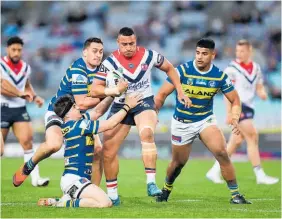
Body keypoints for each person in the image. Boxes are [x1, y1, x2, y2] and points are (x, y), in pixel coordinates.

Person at [89, 27, 191, 205]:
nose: (128, 47)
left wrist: (180, 91)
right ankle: (113, 195)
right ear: (118, 43)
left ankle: (151, 183)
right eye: (124, 44)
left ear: (136, 42)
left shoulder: (149, 56)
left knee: (146, 133)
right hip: (121, 104)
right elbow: (94, 88)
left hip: (143, 101)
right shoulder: (110, 62)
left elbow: (170, 69)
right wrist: (113, 90)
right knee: (108, 152)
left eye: (132, 43)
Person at [13, 37, 128, 187]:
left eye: (100, 52)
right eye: (94, 51)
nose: (98, 55)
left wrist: (114, 92)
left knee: (98, 150)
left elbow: (95, 106)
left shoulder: (102, 72)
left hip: (77, 115)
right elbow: (81, 102)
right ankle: (29, 165)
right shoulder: (78, 69)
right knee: (54, 144)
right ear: (84, 53)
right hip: (59, 112)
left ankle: (92, 190)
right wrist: (111, 92)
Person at [154, 38, 251, 204]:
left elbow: (235, 100)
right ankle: (166, 188)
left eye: (204, 54)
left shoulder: (219, 76)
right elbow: (161, 95)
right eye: (197, 53)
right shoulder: (182, 71)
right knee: (178, 163)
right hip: (182, 123)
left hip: (205, 120)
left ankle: (236, 195)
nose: (199, 57)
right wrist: (154, 112)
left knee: (222, 153)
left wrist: (234, 117)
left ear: (213, 55)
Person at [37, 92, 142, 208]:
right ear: (67, 114)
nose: (78, 107)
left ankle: (63, 199)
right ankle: (65, 203)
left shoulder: (70, 125)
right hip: (75, 180)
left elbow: (97, 111)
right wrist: (127, 106)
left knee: (101, 200)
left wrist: (112, 95)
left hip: (73, 179)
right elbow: (110, 124)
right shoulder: (80, 125)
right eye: (74, 106)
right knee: (105, 203)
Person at [206, 39, 279, 185]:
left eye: (242, 51)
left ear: (249, 51)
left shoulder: (256, 68)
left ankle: (214, 170)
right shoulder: (232, 69)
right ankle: (260, 174)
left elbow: (258, 86)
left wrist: (262, 93)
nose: (239, 54)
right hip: (237, 106)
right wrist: (229, 113)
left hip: (249, 106)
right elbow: (227, 92)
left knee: (236, 141)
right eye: (237, 51)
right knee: (252, 136)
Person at [1, 36, 49, 187]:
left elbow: (26, 85)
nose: (16, 52)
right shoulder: (1, 64)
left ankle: (36, 179)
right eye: (13, 49)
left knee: (28, 143)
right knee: (0, 150)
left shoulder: (25, 67)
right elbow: (2, 85)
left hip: (20, 109)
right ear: (7, 49)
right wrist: (20, 93)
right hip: (2, 108)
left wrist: (35, 97)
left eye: (19, 50)